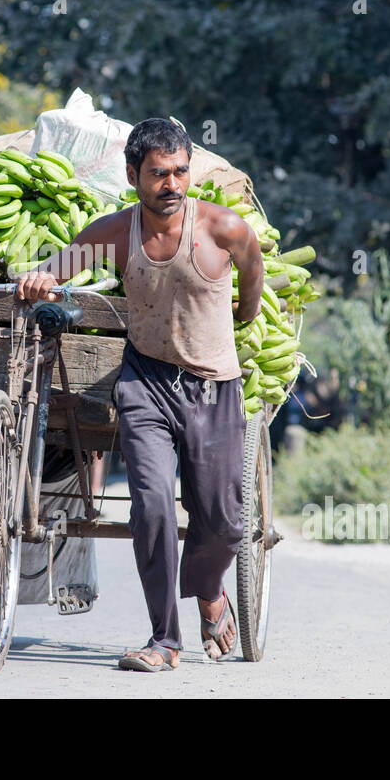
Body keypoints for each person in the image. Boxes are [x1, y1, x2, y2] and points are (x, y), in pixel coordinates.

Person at [16, 118, 264, 672]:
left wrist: (245, 314)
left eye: (179, 172)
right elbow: (60, 267)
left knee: (223, 523)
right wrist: (39, 278)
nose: (171, 184)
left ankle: (209, 593)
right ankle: (165, 640)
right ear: (133, 175)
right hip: (145, 382)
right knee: (150, 507)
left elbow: (253, 273)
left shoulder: (223, 229)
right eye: (158, 174)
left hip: (213, 386)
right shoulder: (115, 231)